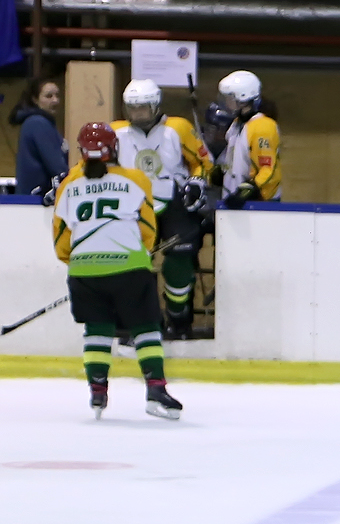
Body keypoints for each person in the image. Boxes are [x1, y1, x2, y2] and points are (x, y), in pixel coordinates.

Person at [52, 122, 183, 420]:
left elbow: (60, 237)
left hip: (83, 271)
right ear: (115, 149)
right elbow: (148, 229)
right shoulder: (135, 179)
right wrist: (138, 254)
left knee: (97, 328)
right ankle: (156, 390)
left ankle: (97, 392)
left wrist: (79, 262)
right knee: (146, 326)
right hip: (129, 268)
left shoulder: (69, 183)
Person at [112, 79, 214, 339]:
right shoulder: (116, 131)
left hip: (175, 205)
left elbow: (203, 162)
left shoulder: (178, 128)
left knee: (178, 264)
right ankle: (143, 322)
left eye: (143, 108)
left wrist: (198, 182)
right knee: (132, 268)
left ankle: (179, 318)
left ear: (155, 106)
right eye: (132, 108)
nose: (137, 114)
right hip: (132, 207)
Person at [216, 70, 281, 208]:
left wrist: (251, 189)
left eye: (230, 98)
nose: (226, 103)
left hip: (258, 204)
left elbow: (269, 169)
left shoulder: (263, 127)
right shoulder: (237, 124)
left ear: (243, 100)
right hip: (233, 200)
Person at [9, 77, 68, 200]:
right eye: (49, 96)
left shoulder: (40, 123)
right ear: (35, 100)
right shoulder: (38, 124)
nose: (55, 100)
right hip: (37, 201)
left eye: (57, 95)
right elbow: (58, 168)